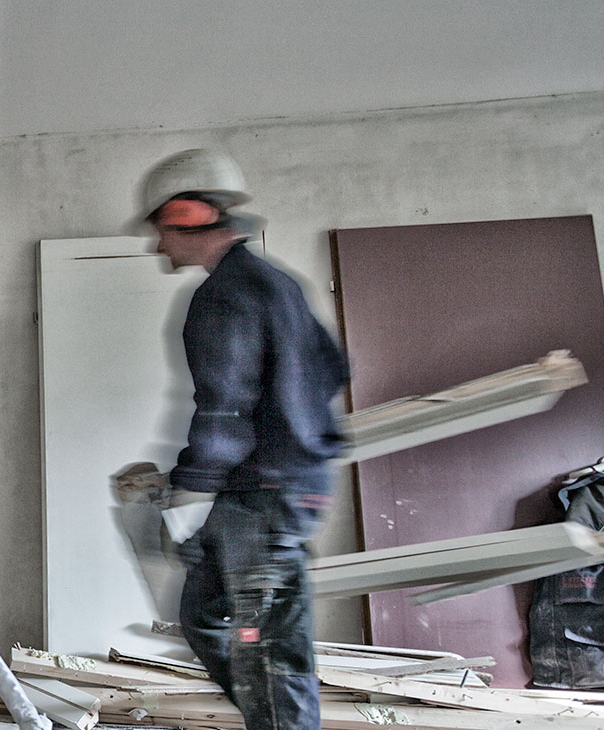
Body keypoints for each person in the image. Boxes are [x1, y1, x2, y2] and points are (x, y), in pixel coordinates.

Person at [136, 149, 350, 730]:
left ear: (185, 215)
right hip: (279, 492)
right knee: (206, 618)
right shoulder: (278, 284)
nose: (158, 246)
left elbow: (226, 406)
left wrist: (191, 490)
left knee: (266, 654)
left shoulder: (225, 296)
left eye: (161, 229)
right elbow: (332, 370)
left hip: (260, 500)